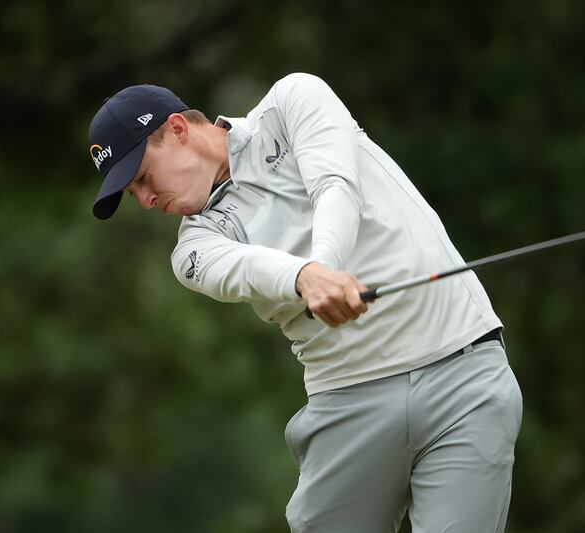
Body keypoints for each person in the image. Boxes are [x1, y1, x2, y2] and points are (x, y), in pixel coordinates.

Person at [87, 73, 523, 532]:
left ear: (177, 129)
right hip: (348, 403)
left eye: (142, 178)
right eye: (134, 194)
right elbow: (252, 266)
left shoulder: (292, 101)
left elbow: (335, 186)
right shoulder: (193, 248)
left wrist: (325, 266)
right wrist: (305, 277)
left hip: (462, 372)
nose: (147, 200)